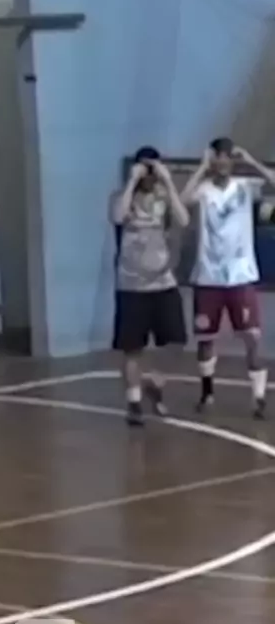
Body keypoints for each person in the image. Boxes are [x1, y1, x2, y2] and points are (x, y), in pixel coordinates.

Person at [181, 138, 275, 418]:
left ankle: (258, 398)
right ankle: (207, 393)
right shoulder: (203, 189)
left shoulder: (245, 186)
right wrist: (201, 168)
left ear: (232, 160)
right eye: (217, 157)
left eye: (226, 157)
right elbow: (182, 202)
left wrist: (251, 161)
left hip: (241, 276)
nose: (222, 162)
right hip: (208, 277)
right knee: (206, 339)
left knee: (251, 337)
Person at [109, 147, 189, 426]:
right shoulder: (122, 197)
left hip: (163, 282)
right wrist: (132, 181)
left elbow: (183, 219)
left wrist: (168, 181)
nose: (148, 175)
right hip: (131, 285)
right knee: (132, 348)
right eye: (144, 169)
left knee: (176, 340)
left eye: (152, 169)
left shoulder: (164, 197)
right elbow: (117, 217)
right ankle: (134, 403)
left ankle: (154, 380)